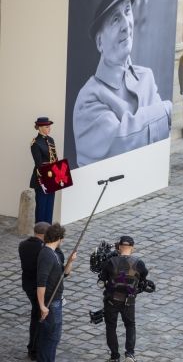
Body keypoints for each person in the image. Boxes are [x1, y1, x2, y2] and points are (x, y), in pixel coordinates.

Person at [73, 0, 172, 167]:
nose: (126, 24)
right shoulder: (87, 100)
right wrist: (169, 110)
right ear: (100, 42)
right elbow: (120, 141)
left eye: (127, 11)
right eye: (115, 18)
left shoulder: (147, 78)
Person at [99, 236, 150, 362]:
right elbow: (144, 278)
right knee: (130, 325)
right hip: (129, 300)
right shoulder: (139, 263)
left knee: (111, 327)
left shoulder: (110, 262)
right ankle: (130, 354)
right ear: (132, 248)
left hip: (111, 300)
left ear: (119, 247)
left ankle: (114, 357)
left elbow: (102, 280)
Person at [37, 223, 77, 362]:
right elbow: (41, 282)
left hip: (55, 300)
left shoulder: (53, 253)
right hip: (51, 303)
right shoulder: (47, 255)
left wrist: (70, 261)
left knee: (46, 335)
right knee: (53, 337)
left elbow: (63, 274)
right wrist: (42, 305)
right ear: (59, 238)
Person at [19, 222, 51, 361]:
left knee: (35, 315)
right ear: (45, 235)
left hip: (27, 284)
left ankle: (32, 346)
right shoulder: (43, 250)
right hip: (38, 287)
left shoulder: (23, 245)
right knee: (39, 318)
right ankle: (35, 349)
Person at [30, 117, 57, 224]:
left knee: (50, 205)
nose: (49, 128)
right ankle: (40, 230)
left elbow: (55, 159)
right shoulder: (35, 143)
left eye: (49, 126)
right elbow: (38, 163)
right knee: (42, 206)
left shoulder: (51, 140)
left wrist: (57, 174)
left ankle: (49, 229)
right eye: (46, 127)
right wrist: (42, 181)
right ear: (40, 128)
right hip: (42, 176)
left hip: (52, 175)